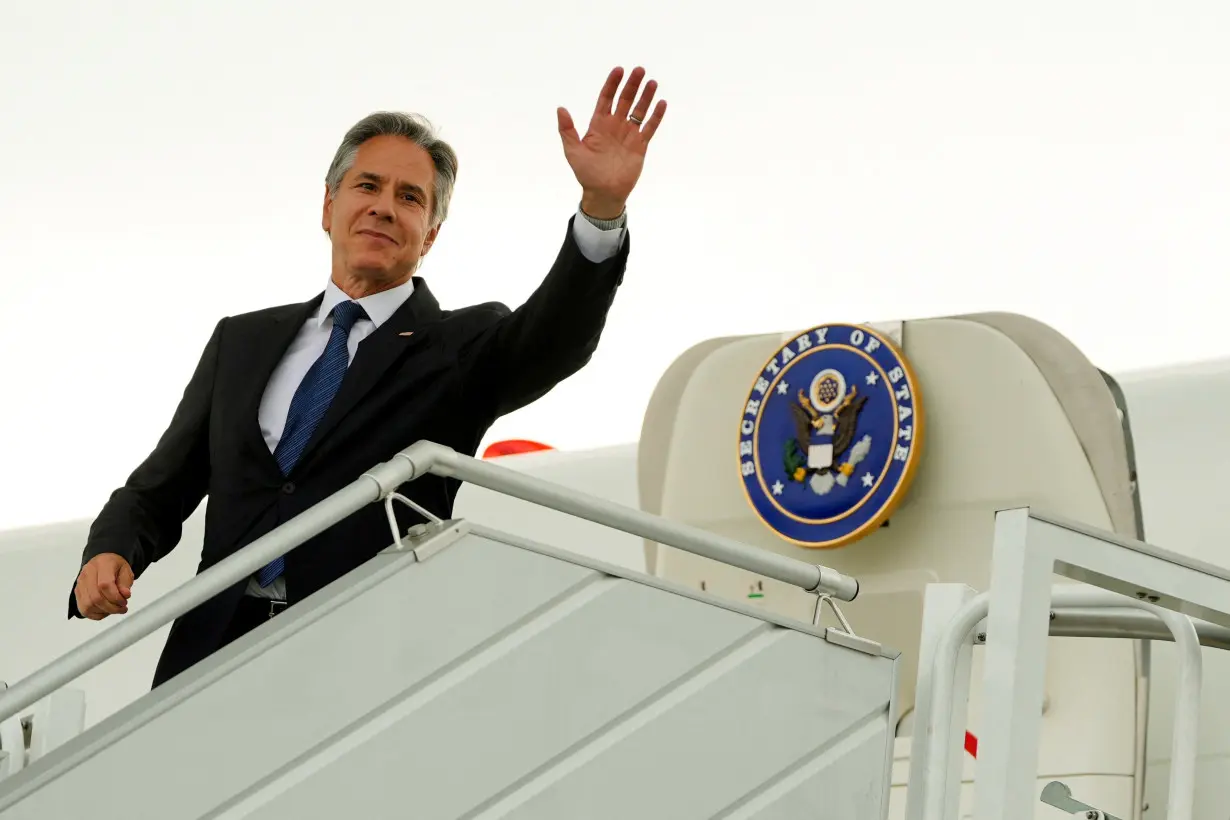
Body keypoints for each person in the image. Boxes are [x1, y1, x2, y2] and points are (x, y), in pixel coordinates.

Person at [68, 65, 668, 689]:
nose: (384, 207)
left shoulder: (458, 349)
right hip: (212, 656)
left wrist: (602, 210)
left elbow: (556, 339)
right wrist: (111, 550)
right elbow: (160, 488)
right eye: (368, 186)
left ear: (430, 234)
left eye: (410, 198)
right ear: (330, 206)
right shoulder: (240, 341)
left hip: (364, 666)